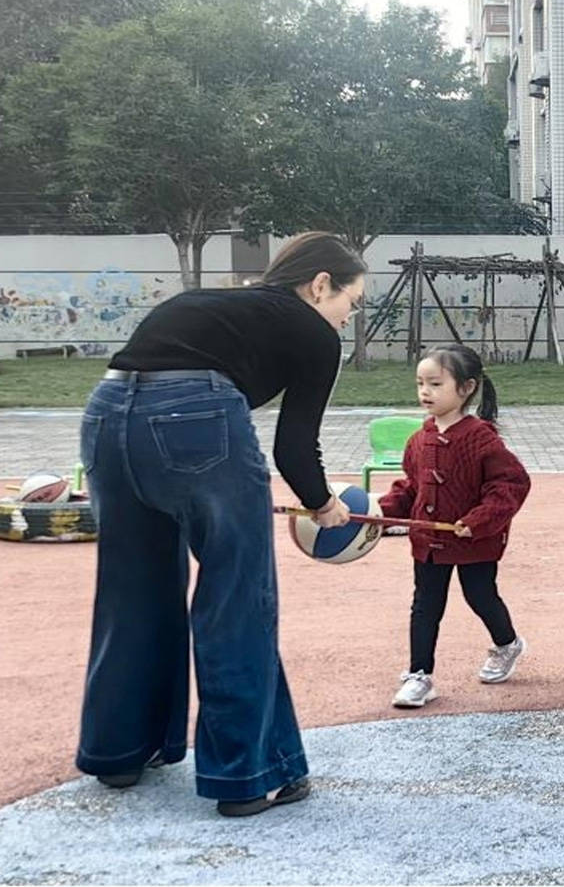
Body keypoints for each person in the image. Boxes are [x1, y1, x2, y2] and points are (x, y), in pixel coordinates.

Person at [76, 232, 363, 816]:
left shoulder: (205, 301)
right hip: (199, 422)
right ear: (320, 285)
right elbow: (295, 448)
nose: (346, 318)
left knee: (132, 593)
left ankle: (119, 752)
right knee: (237, 599)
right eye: (350, 303)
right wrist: (323, 504)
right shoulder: (313, 332)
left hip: (104, 416)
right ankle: (250, 777)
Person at [382, 344, 531, 708]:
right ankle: (419, 675)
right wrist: (382, 512)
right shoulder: (418, 440)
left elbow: (511, 484)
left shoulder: (482, 439)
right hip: (427, 542)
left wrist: (478, 520)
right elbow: (412, 486)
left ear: (466, 388)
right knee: (425, 605)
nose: (425, 392)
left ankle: (507, 643)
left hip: (474, 541)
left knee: (480, 595)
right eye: (420, 383)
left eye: (435, 384)